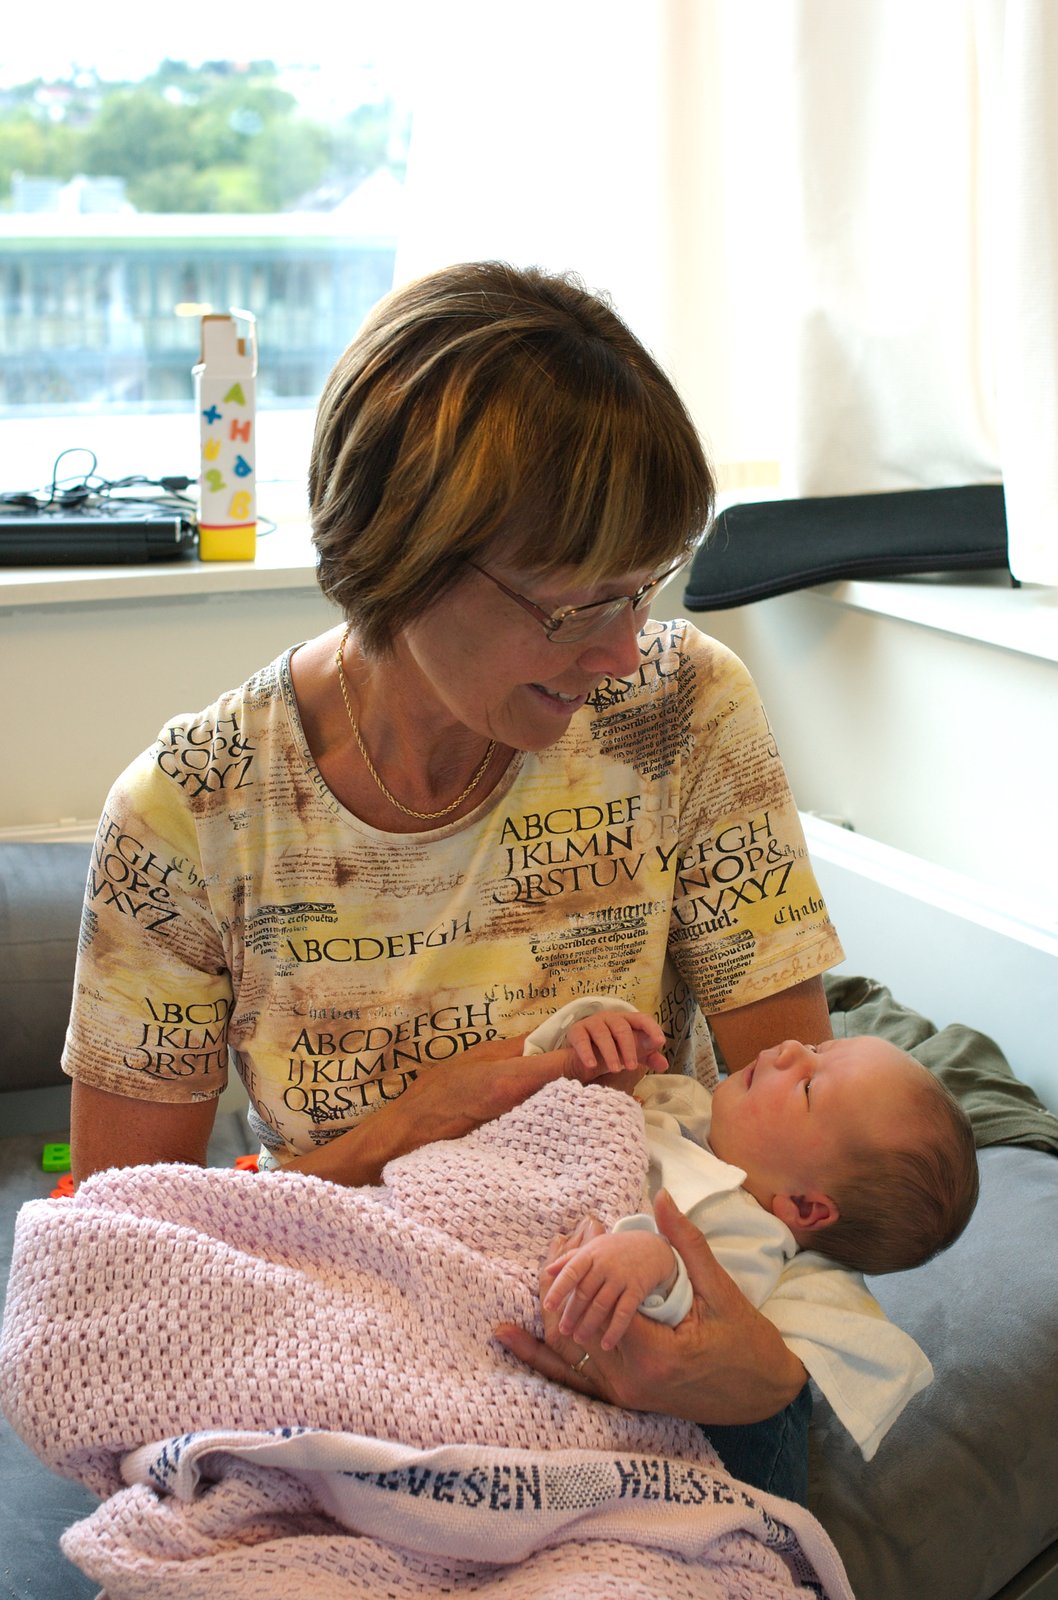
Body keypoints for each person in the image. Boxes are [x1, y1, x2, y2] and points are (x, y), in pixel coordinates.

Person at [66, 259, 853, 1500]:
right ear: (403, 551)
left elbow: (811, 1140)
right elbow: (123, 1255)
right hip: (361, 1345)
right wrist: (404, 1129)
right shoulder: (190, 812)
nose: (619, 650)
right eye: (572, 608)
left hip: (634, 1323)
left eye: (640, 587)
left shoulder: (683, 710)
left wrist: (745, 1374)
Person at [529, 1003, 979, 1363]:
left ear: (804, 1207)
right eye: (817, 1047)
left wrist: (656, 1261)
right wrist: (592, 1039)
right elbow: (555, 1101)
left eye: (808, 1087)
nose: (789, 1048)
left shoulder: (749, 1236)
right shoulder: (688, 1102)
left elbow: (697, 1325)